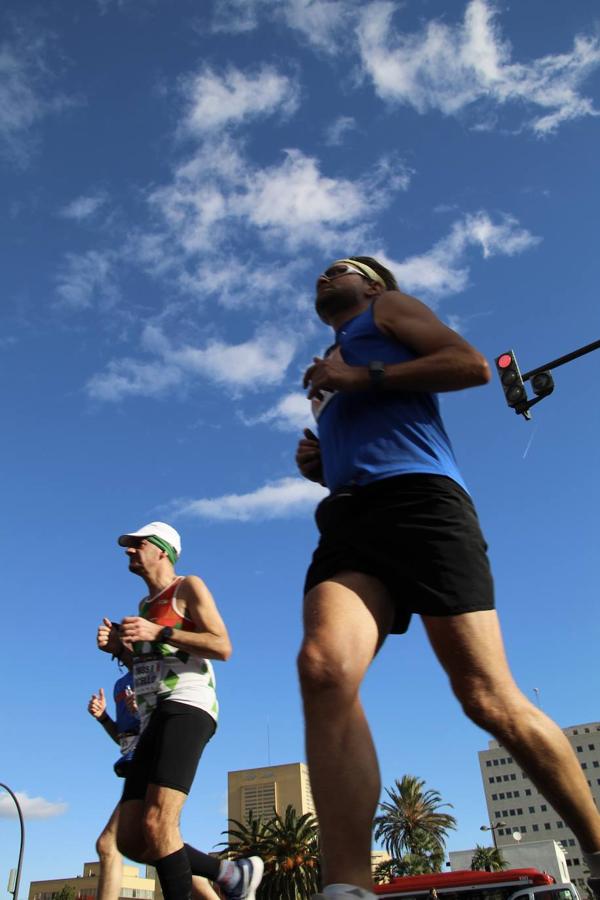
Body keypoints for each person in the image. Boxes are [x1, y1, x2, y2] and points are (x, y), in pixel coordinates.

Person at [295, 257, 600, 900]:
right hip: (350, 514)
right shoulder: (329, 358)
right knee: (323, 669)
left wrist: (361, 374)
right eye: (321, 271)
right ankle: (346, 888)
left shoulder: (389, 313)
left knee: (487, 698)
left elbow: (470, 365)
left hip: (422, 504)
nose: (327, 275)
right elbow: (370, 428)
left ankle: (598, 851)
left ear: (374, 284)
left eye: (342, 269)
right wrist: (320, 461)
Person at [97, 521, 263, 900]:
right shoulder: (144, 607)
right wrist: (119, 651)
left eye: (137, 544)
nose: (128, 550)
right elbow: (150, 666)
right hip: (154, 715)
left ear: (161, 550)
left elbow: (222, 646)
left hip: (189, 705)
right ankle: (230, 874)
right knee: (132, 839)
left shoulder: (188, 587)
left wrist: (161, 632)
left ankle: (228, 877)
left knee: (159, 822)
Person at [88, 674, 140, 900]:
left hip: (151, 762)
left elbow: (172, 723)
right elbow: (123, 737)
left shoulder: (158, 669)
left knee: (108, 844)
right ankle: (228, 877)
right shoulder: (120, 684)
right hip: (132, 764)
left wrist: (145, 711)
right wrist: (103, 718)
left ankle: (229, 875)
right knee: (161, 846)